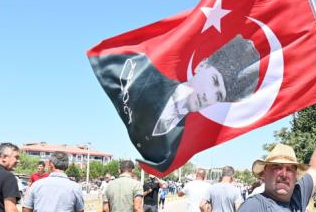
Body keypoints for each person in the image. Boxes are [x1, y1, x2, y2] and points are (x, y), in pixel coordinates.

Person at [88, 35, 261, 173]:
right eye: (214, 81)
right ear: (202, 65)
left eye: (219, 94)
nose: (209, 95)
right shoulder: (146, 77)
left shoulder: (181, 141)